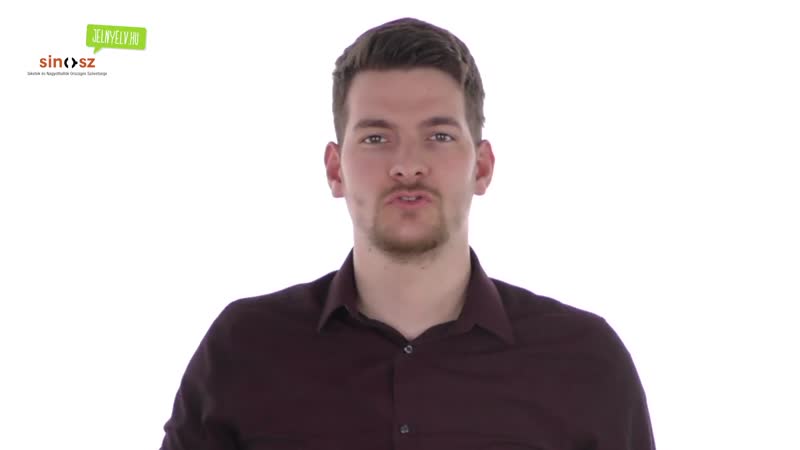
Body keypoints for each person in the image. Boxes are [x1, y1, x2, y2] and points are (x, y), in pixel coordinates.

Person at [160, 17, 656, 450]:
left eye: (439, 136)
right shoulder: (244, 349)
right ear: (335, 169)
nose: (407, 164)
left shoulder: (584, 361)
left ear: (482, 167)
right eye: (376, 138)